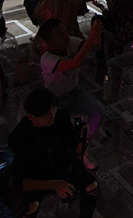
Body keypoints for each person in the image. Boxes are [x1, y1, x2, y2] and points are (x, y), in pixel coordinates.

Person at [8, 88, 103, 218]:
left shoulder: (60, 117)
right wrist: (52, 184)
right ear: (31, 117)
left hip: (62, 170)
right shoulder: (19, 138)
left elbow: (71, 152)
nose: (52, 115)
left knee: (92, 186)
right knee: (28, 210)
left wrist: (80, 143)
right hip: (37, 181)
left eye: (53, 110)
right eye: (46, 114)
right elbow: (20, 182)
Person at [36, 18, 105, 170]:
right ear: (49, 43)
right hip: (55, 100)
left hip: (73, 92)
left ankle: (83, 145)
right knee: (61, 132)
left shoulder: (71, 42)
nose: (66, 36)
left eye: (65, 31)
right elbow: (75, 63)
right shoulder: (46, 59)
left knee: (99, 111)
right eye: (60, 35)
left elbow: (93, 48)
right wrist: (90, 39)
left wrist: (96, 37)